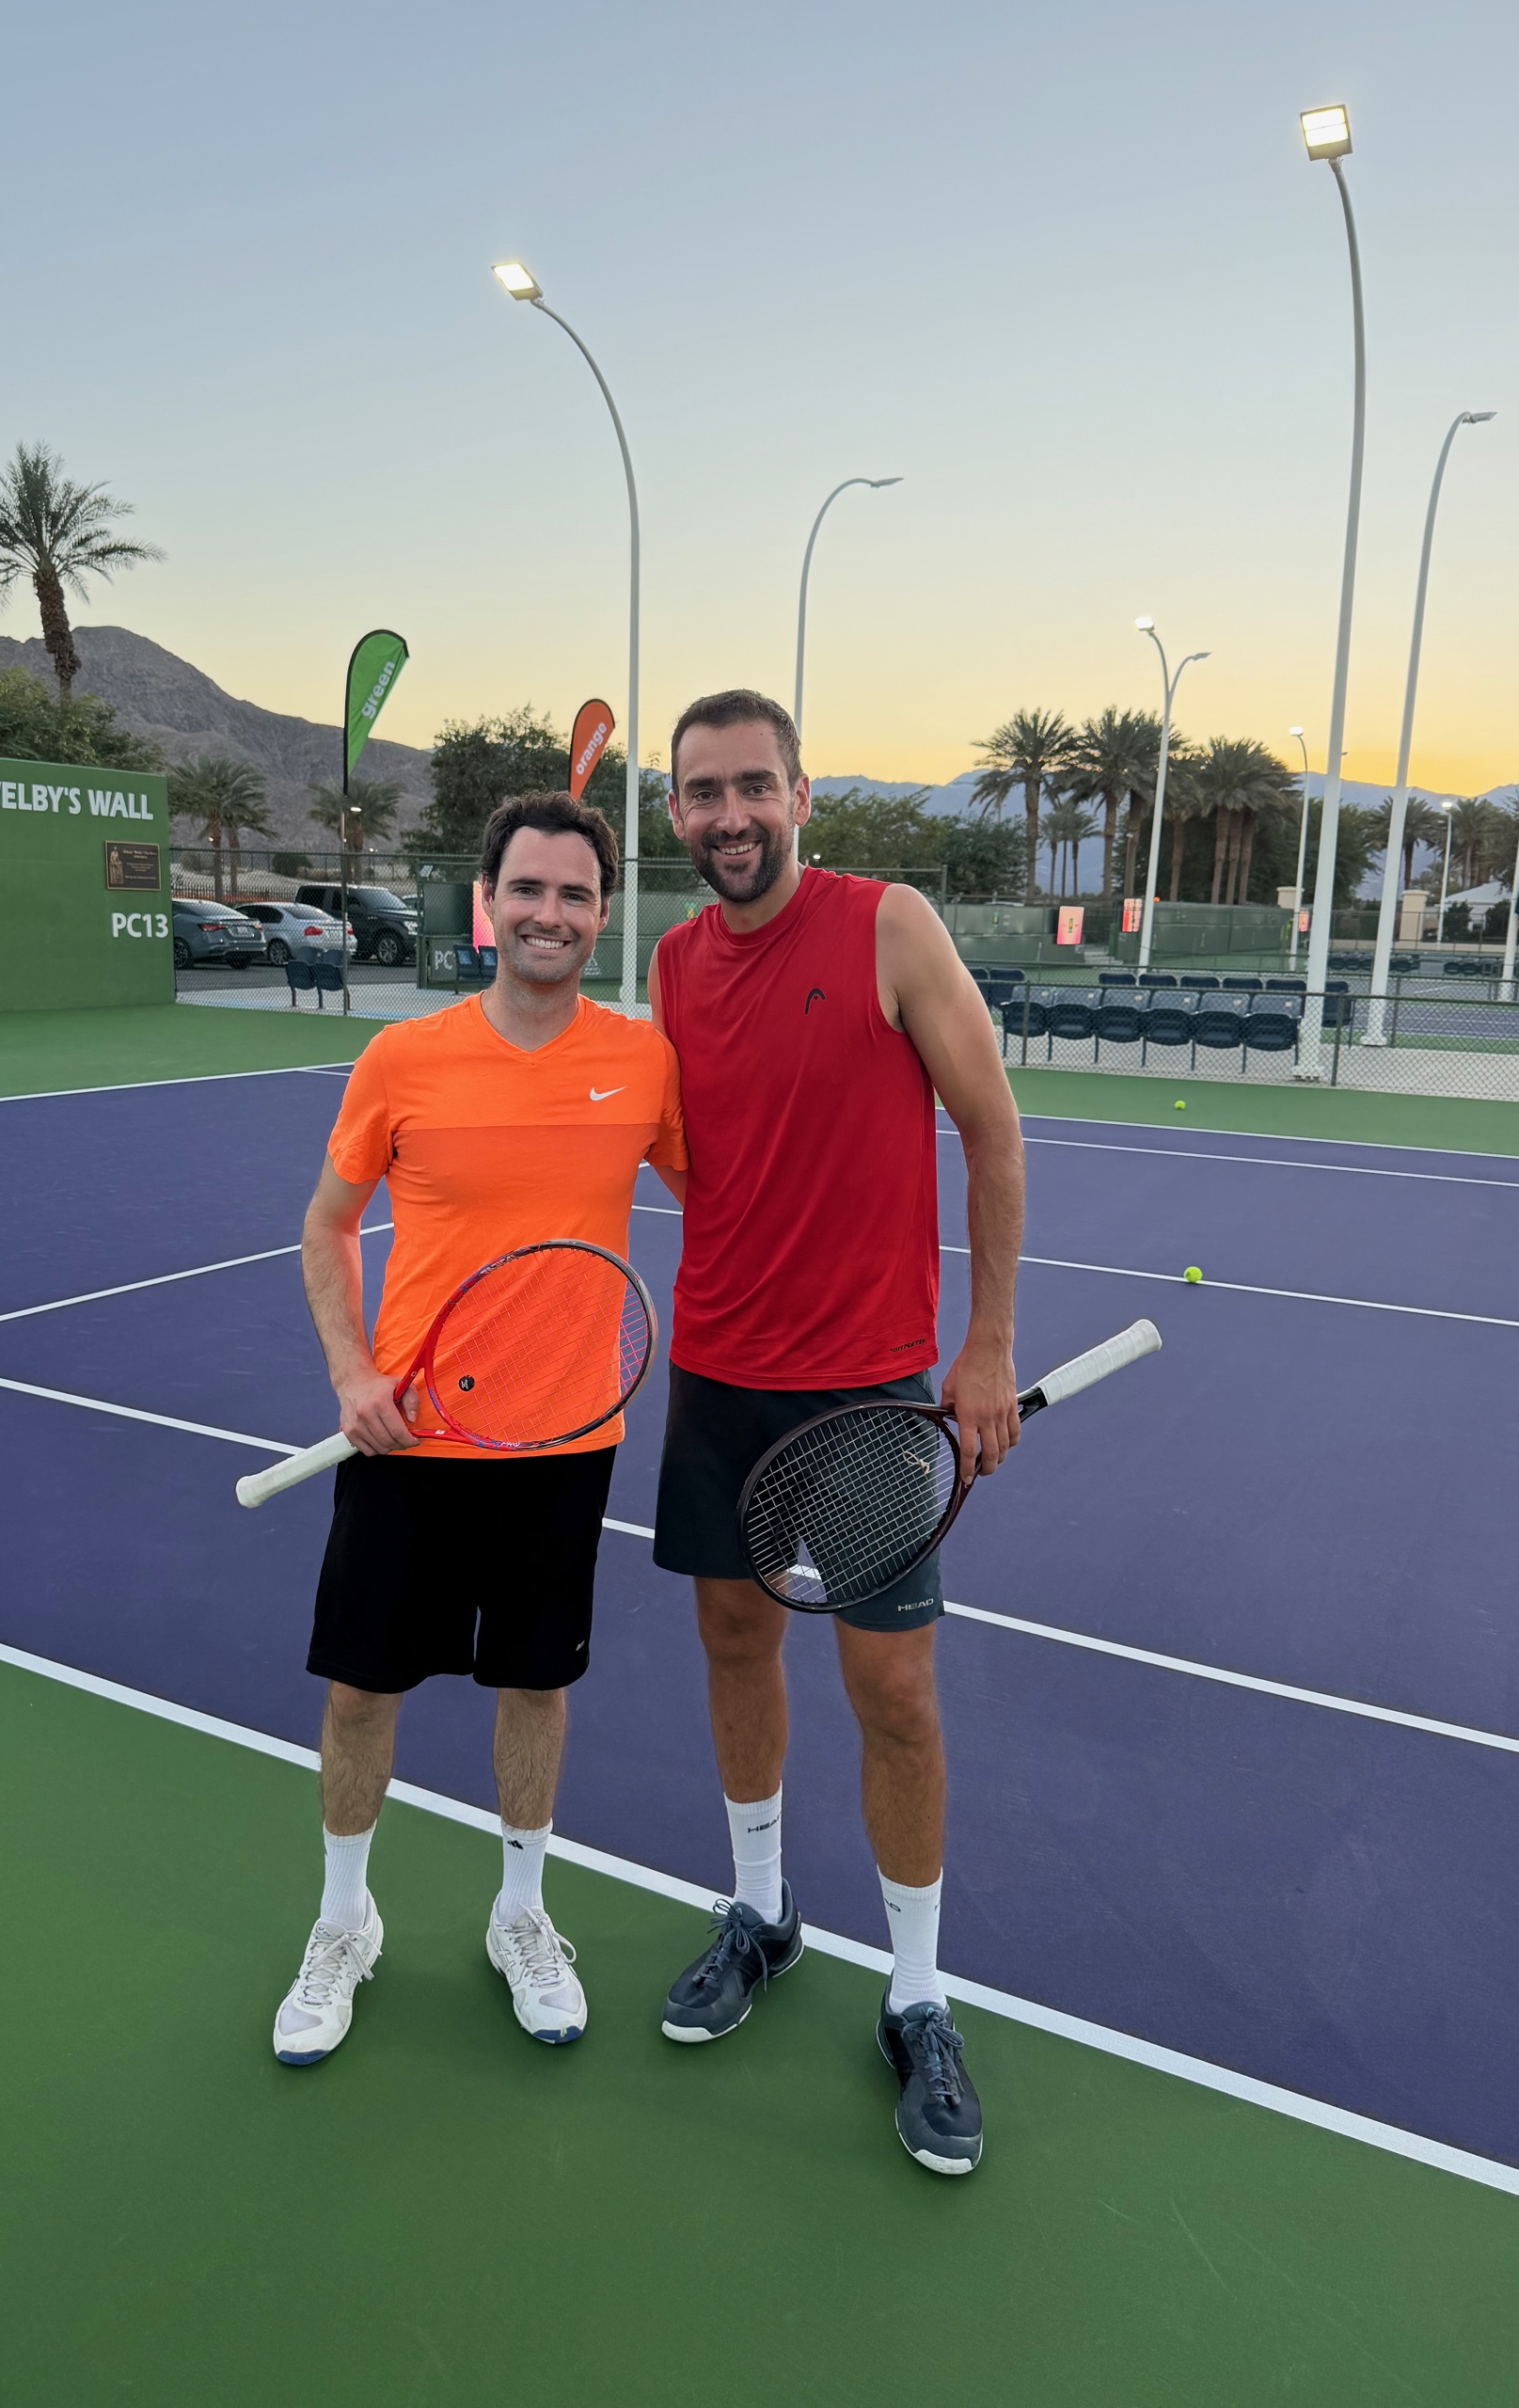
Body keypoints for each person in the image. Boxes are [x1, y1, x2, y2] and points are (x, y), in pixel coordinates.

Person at [648, 690, 1024, 2177]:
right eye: (700, 794)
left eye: (753, 786)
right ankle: (761, 1912)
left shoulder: (890, 927)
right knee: (735, 1646)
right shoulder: (673, 963)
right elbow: (697, 1154)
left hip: (872, 1395)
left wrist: (983, 1343)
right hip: (719, 1383)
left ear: (801, 794)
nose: (728, 815)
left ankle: (919, 1996)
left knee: (898, 1697)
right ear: (676, 815)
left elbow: (991, 1125)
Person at [273, 792, 686, 2065]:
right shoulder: (405, 1060)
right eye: (528, 889)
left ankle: (521, 1914)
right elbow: (327, 1226)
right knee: (362, 1689)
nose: (549, 912)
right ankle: (344, 1922)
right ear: (486, 904)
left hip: (563, 1448)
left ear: (601, 916)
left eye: (573, 894)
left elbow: (737, 1202)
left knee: (533, 1686)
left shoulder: (645, 1064)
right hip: (406, 1445)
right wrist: (351, 1378)